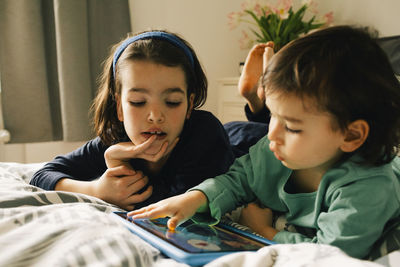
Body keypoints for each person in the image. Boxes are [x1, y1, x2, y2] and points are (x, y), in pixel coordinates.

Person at [128, 25, 400, 259]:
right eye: (272, 116)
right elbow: (237, 180)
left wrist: (267, 233)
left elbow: (331, 253)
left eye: (292, 127)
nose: (272, 134)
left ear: (351, 135)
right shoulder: (274, 153)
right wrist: (195, 198)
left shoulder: (368, 186)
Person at [30, 30, 235, 211]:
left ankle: (254, 103)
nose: (155, 116)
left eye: (172, 102)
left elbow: (173, 208)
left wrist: (117, 163)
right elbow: (43, 175)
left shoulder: (205, 135)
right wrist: (96, 189)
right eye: (138, 102)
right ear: (119, 107)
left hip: (240, 138)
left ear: (190, 105)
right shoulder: (115, 138)